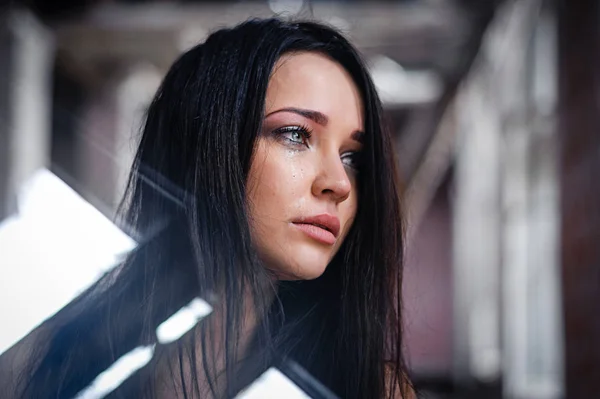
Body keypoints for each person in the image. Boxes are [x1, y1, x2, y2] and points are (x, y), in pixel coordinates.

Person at [6, 18, 410, 398]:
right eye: (294, 134)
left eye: (353, 158)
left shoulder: (372, 387)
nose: (339, 184)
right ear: (208, 147)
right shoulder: (56, 361)